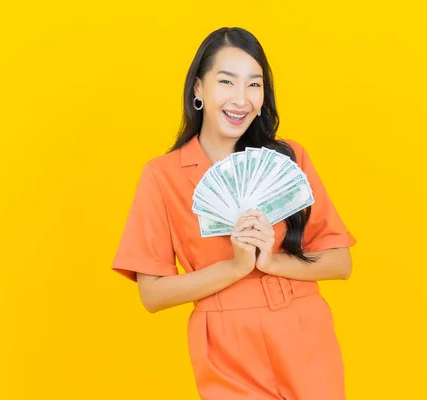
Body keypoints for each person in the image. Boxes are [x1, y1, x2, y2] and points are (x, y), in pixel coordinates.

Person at [111, 26, 357, 400]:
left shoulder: (289, 159)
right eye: (226, 81)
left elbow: (340, 263)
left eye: (254, 85)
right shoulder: (161, 177)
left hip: (303, 330)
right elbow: (152, 295)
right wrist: (235, 267)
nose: (241, 99)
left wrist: (269, 262)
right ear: (198, 88)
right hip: (225, 345)